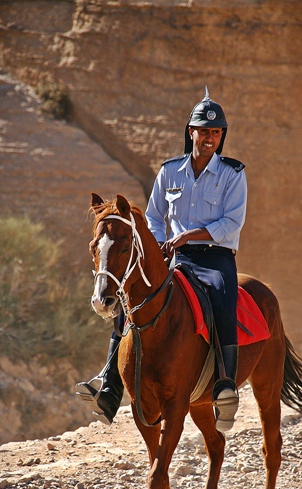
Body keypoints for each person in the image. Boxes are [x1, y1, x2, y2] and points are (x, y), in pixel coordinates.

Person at [76, 88, 247, 432]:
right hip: (174, 255)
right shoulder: (170, 171)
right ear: (191, 132)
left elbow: (232, 222)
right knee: (133, 297)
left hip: (215, 257)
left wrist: (188, 235)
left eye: (216, 132)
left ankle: (225, 384)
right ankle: (109, 382)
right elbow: (154, 218)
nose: (210, 137)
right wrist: (157, 246)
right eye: (204, 131)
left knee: (223, 298)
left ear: (221, 136)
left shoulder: (233, 173)